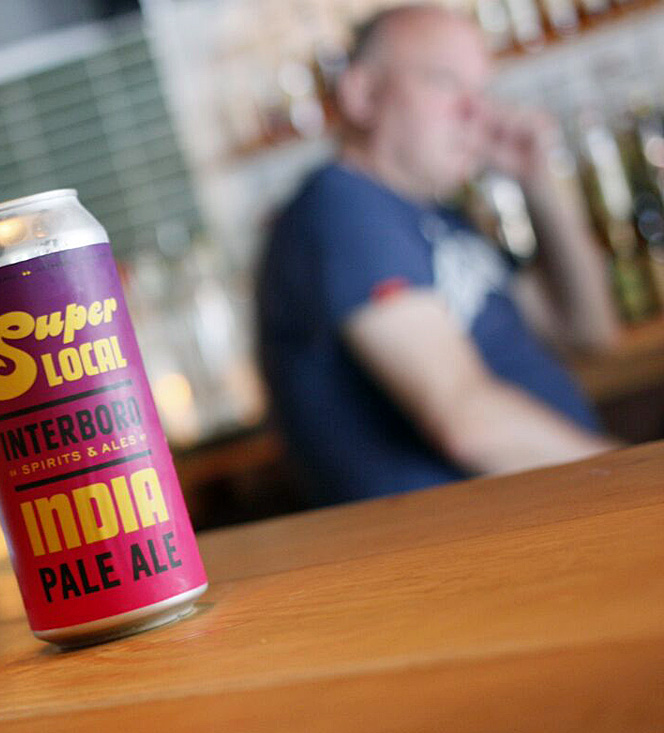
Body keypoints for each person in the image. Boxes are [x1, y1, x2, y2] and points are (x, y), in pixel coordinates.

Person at [255, 2, 620, 506]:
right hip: (481, 537)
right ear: (363, 94)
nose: (476, 113)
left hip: (552, 506)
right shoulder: (342, 209)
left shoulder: (436, 218)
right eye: (446, 82)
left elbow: (589, 332)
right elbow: (468, 425)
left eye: (480, 91)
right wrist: (632, 476)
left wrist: (539, 185)